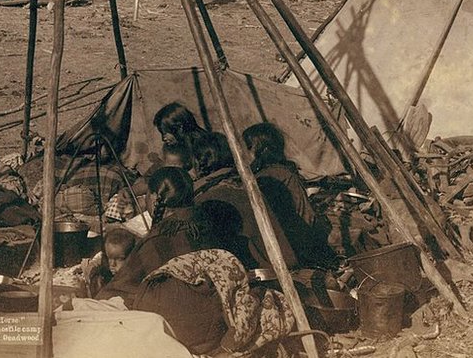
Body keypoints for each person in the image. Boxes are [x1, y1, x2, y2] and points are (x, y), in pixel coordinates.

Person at [97, 167, 215, 306]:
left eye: (146, 194)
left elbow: (120, 288)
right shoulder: (204, 225)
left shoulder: (157, 242)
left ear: (153, 197)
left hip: (173, 311)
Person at [192, 132, 300, 270]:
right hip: (281, 262)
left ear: (198, 160)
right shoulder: (249, 183)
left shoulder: (202, 196)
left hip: (249, 272)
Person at [242, 122, 335, 269]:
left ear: (261, 149)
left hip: (279, 249)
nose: (244, 153)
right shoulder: (282, 173)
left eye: (248, 147)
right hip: (296, 246)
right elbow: (307, 216)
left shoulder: (263, 178)